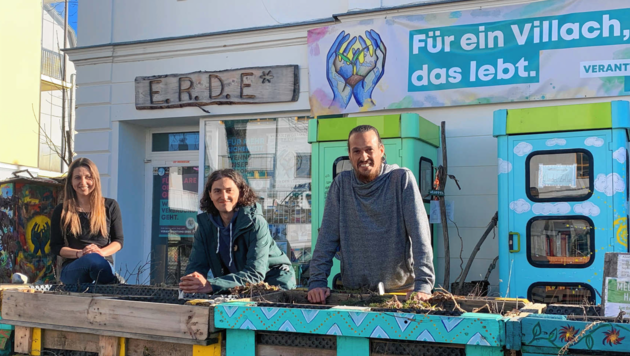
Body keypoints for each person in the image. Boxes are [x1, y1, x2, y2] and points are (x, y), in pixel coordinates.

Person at [308, 125, 435, 304]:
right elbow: (326, 238)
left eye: (369, 150)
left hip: (399, 294)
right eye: (357, 151)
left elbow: (420, 235)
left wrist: (423, 286)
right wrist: (317, 282)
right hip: (354, 294)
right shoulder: (341, 185)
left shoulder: (401, 180)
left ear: (381, 151)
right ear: (350, 155)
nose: (363, 156)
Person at [179, 169, 296, 293]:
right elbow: (196, 267)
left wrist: (211, 285)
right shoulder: (205, 226)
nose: (224, 197)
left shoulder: (255, 223)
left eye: (229, 191)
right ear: (210, 195)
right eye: (217, 191)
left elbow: (254, 274)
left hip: (275, 283)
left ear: (240, 193)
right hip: (239, 285)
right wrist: (191, 283)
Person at [51, 158, 124, 284]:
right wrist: (80, 253)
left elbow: (118, 241)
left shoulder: (110, 206)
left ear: (95, 179)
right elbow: (56, 246)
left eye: (88, 177)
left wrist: (100, 252)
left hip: (102, 265)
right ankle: (114, 282)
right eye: (77, 177)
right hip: (73, 268)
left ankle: (112, 282)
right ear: (71, 181)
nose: (83, 182)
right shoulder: (62, 210)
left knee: (95, 261)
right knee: (91, 260)